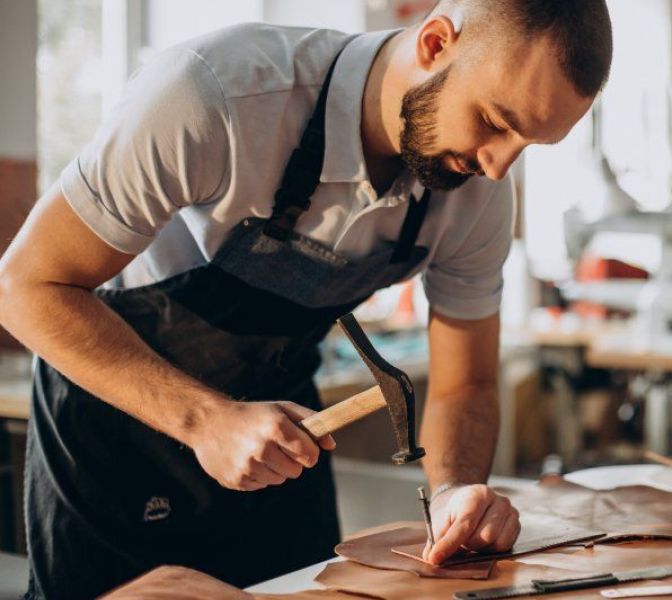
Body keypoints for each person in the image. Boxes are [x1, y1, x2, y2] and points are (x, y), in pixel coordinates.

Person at [0, 1, 613, 598]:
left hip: (279, 439)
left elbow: (466, 383)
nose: (499, 167)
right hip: (116, 434)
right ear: (434, 44)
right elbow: (23, 287)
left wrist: (455, 489)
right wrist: (205, 420)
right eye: (496, 121)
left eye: (527, 143)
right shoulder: (216, 95)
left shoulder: (475, 191)